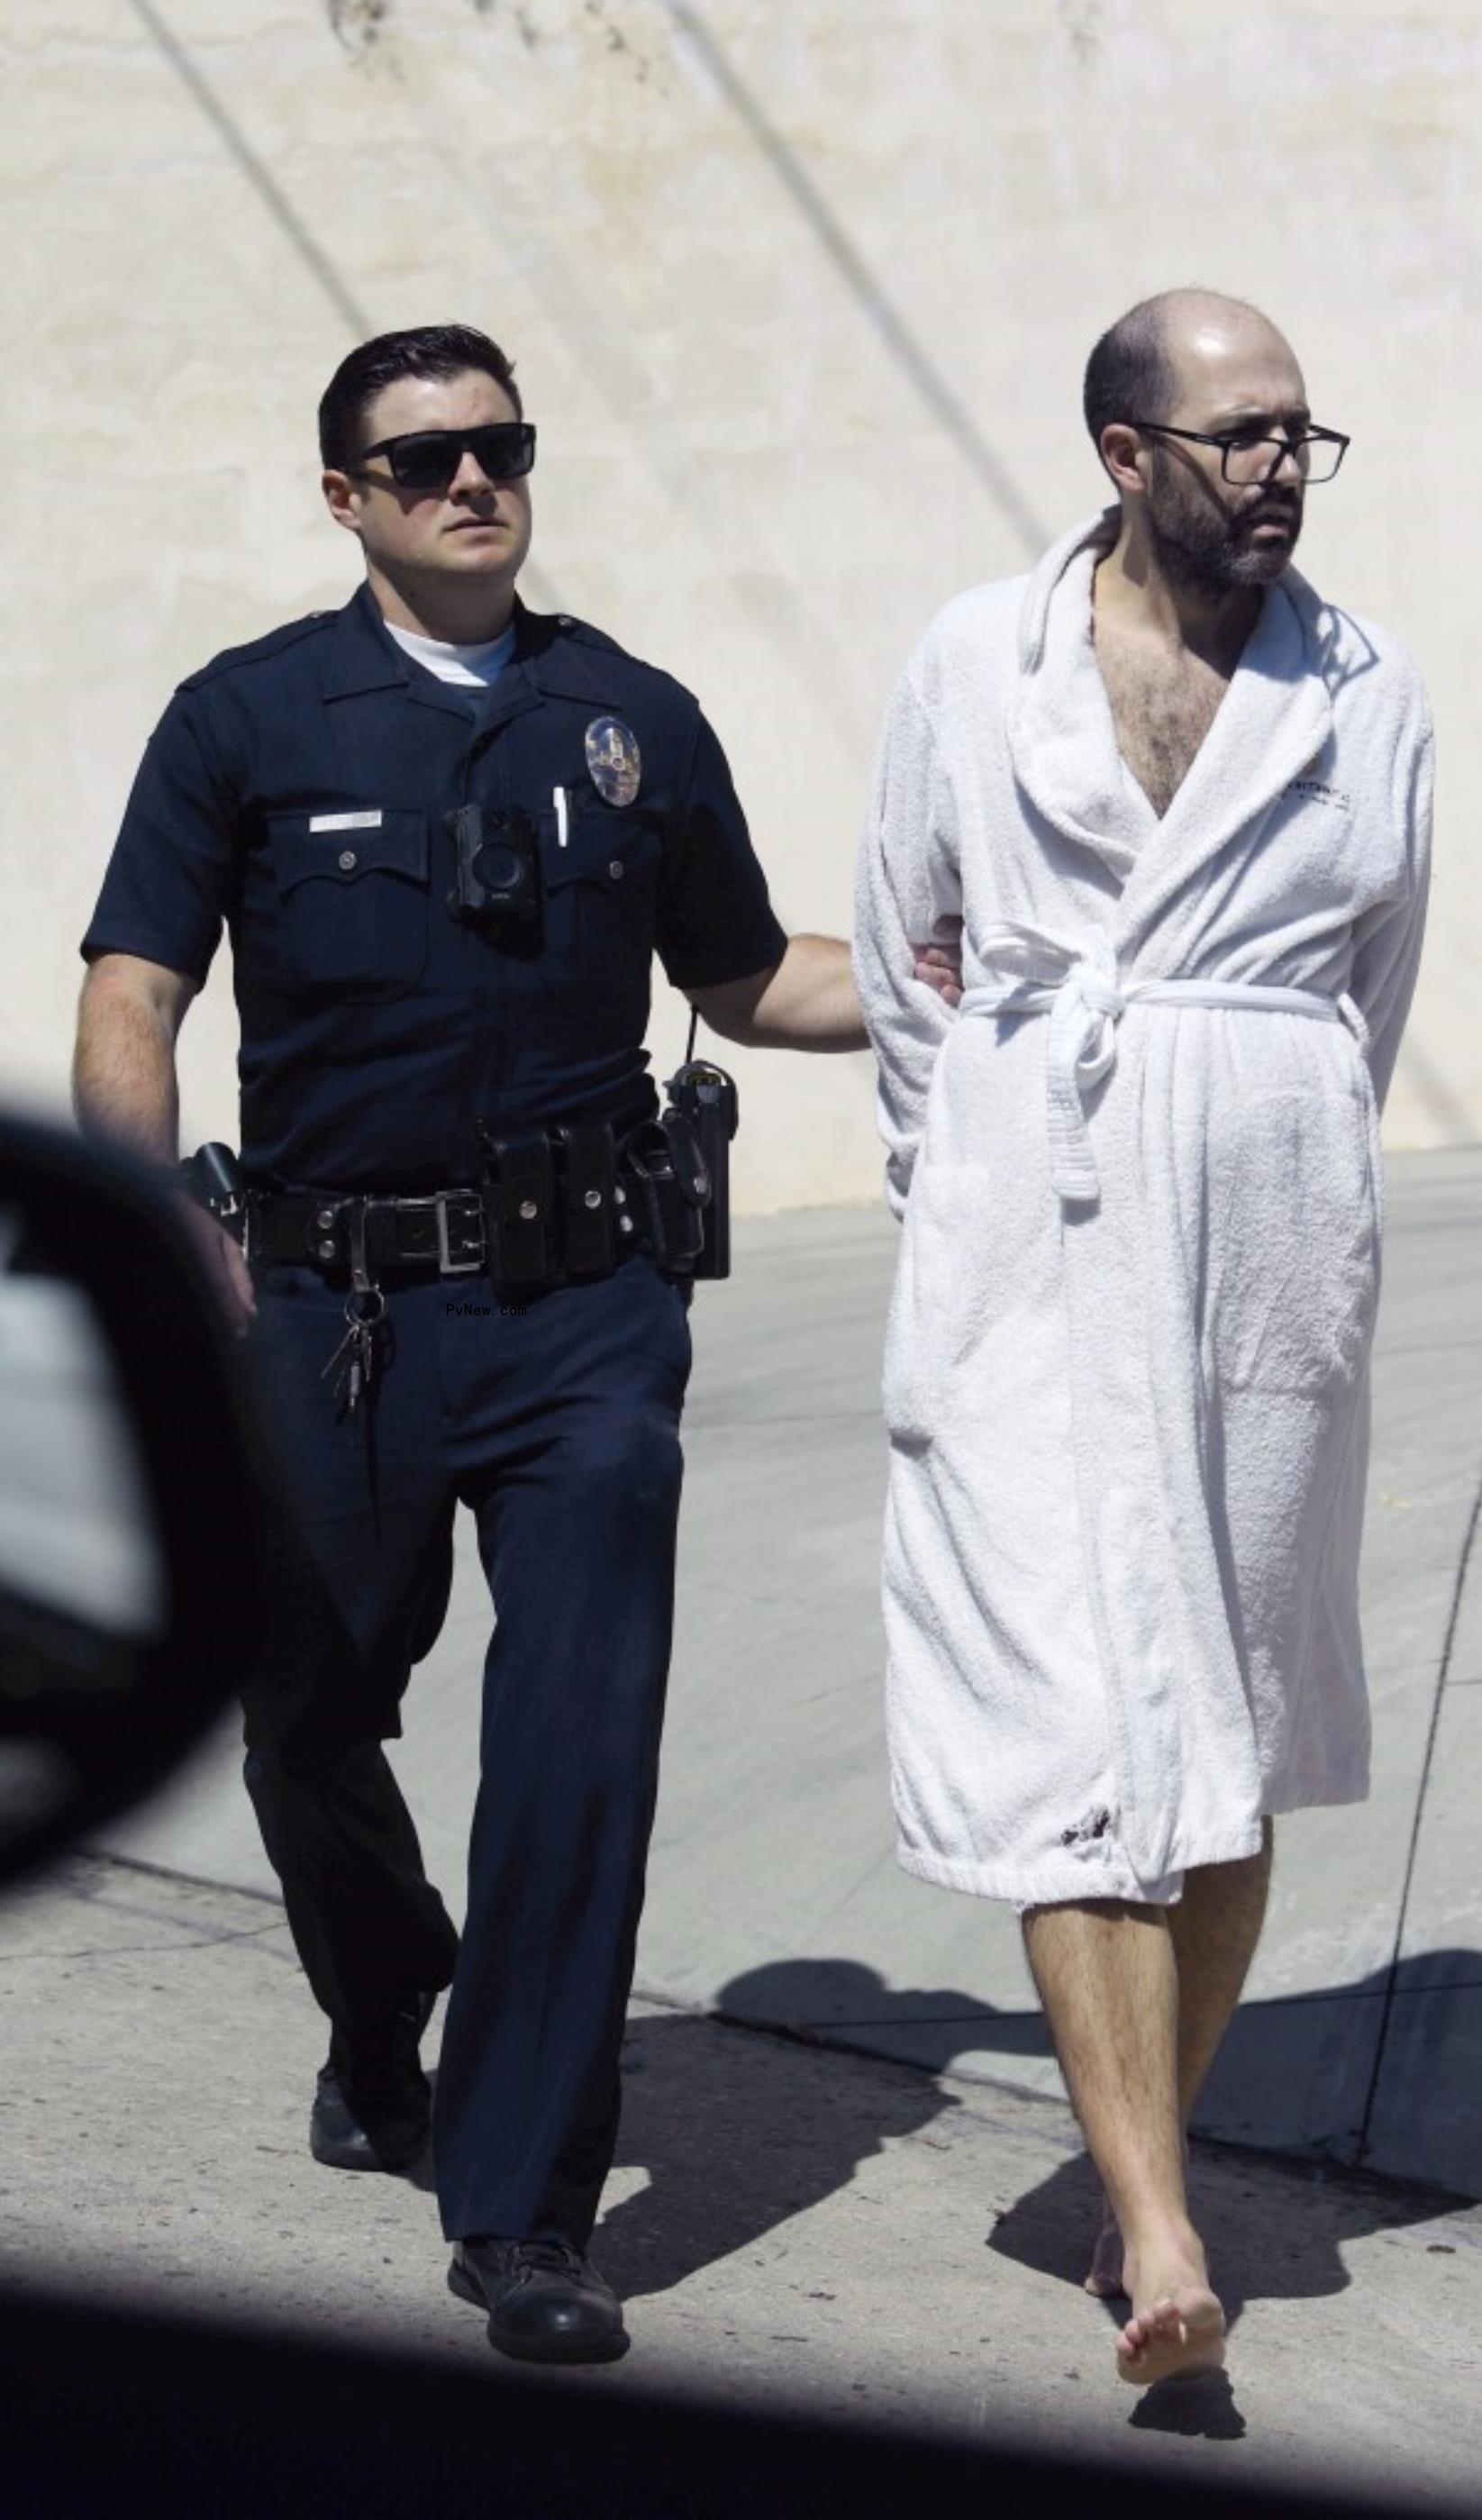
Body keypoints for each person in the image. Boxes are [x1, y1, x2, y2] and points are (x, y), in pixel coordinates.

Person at [74, 324, 865, 2365]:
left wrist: (992, 969)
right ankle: (381, 1999)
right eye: (422, 458)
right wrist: (152, 1218)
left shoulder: (632, 717)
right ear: (345, 495)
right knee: (302, 1711)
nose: (471, 481)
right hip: (330, 1314)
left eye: (500, 446)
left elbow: (752, 972)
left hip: (591, 1317)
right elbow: (134, 995)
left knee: (579, 1748)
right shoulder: (247, 717)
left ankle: (522, 2208)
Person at [853, 289, 1432, 2388]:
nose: (1283, 467)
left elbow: (1371, 986)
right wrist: (974, 1183)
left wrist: (1271, 1161)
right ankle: (1160, 2220)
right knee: (1071, 1712)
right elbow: (910, 965)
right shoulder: (969, 661)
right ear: (1125, 456)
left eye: (1303, 433)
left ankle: (1132, 2160)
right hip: (1028, 1217)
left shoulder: (1368, 690)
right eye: (1241, 434)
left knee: (1230, 1723)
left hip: (1264, 1232)